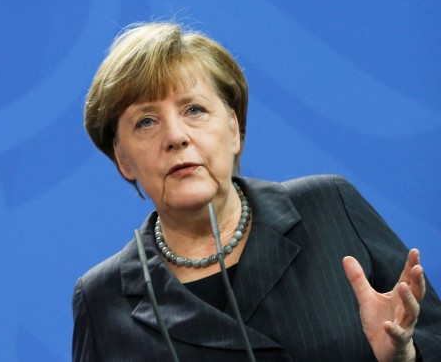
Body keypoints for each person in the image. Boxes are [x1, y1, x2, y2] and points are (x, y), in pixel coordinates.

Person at [72, 21, 441, 361]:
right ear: (123, 159)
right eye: (146, 122)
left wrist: (406, 355)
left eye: (194, 110)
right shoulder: (102, 298)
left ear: (233, 129)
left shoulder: (330, 208)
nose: (176, 137)